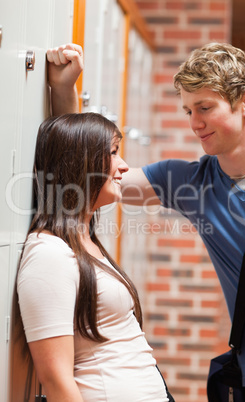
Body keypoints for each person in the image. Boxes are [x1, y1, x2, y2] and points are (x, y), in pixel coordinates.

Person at [46, 42, 245, 398]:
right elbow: (86, 174)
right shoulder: (192, 183)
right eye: (188, 111)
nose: (195, 123)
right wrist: (62, 88)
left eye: (205, 108)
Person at [17, 112, 172, 401]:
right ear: (80, 163)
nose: (124, 166)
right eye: (113, 152)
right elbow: (56, 381)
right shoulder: (48, 254)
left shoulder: (84, 240)